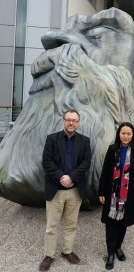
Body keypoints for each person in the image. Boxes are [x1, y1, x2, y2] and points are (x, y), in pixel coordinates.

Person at [39, 109, 91, 271]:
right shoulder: (52, 139)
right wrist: (61, 176)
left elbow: (86, 162)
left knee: (71, 224)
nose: (71, 123)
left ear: (78, 122)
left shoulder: (85, 141)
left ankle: (67, 251)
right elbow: (46, 161)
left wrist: (72, 177)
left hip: (75, 190)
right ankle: (49, 255)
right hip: (56, 188)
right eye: (68, 119)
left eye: (74, 120)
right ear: (63, 121)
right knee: (51, 225)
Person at [98, 122, 134, 270]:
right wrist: (101, 192)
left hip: (129, 194)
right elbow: (105, 171)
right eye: (123, 133)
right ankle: (110, 253)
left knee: (123, 222)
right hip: (112, 193)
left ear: (133, 135)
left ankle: (118, 247)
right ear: (119, 134)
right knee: (111, 223)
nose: (125, 136)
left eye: (128, 134)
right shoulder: (112, 149)